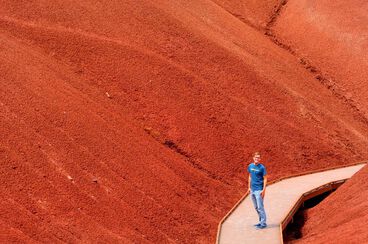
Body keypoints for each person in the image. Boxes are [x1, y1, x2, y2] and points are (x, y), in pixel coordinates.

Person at [247, 152, 267, 229]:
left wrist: (264, 190)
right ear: (253, 158)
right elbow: (250, 177)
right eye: (256, 157)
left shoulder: (262, 167)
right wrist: (249, 187)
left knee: (260, 207)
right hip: (252, 189)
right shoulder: (250, 166)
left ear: (260, 159)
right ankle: (260, 221)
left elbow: (265, 179)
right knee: (256, 207)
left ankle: (263, 224)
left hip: (259, 190)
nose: (257, 159)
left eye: (258, 158)